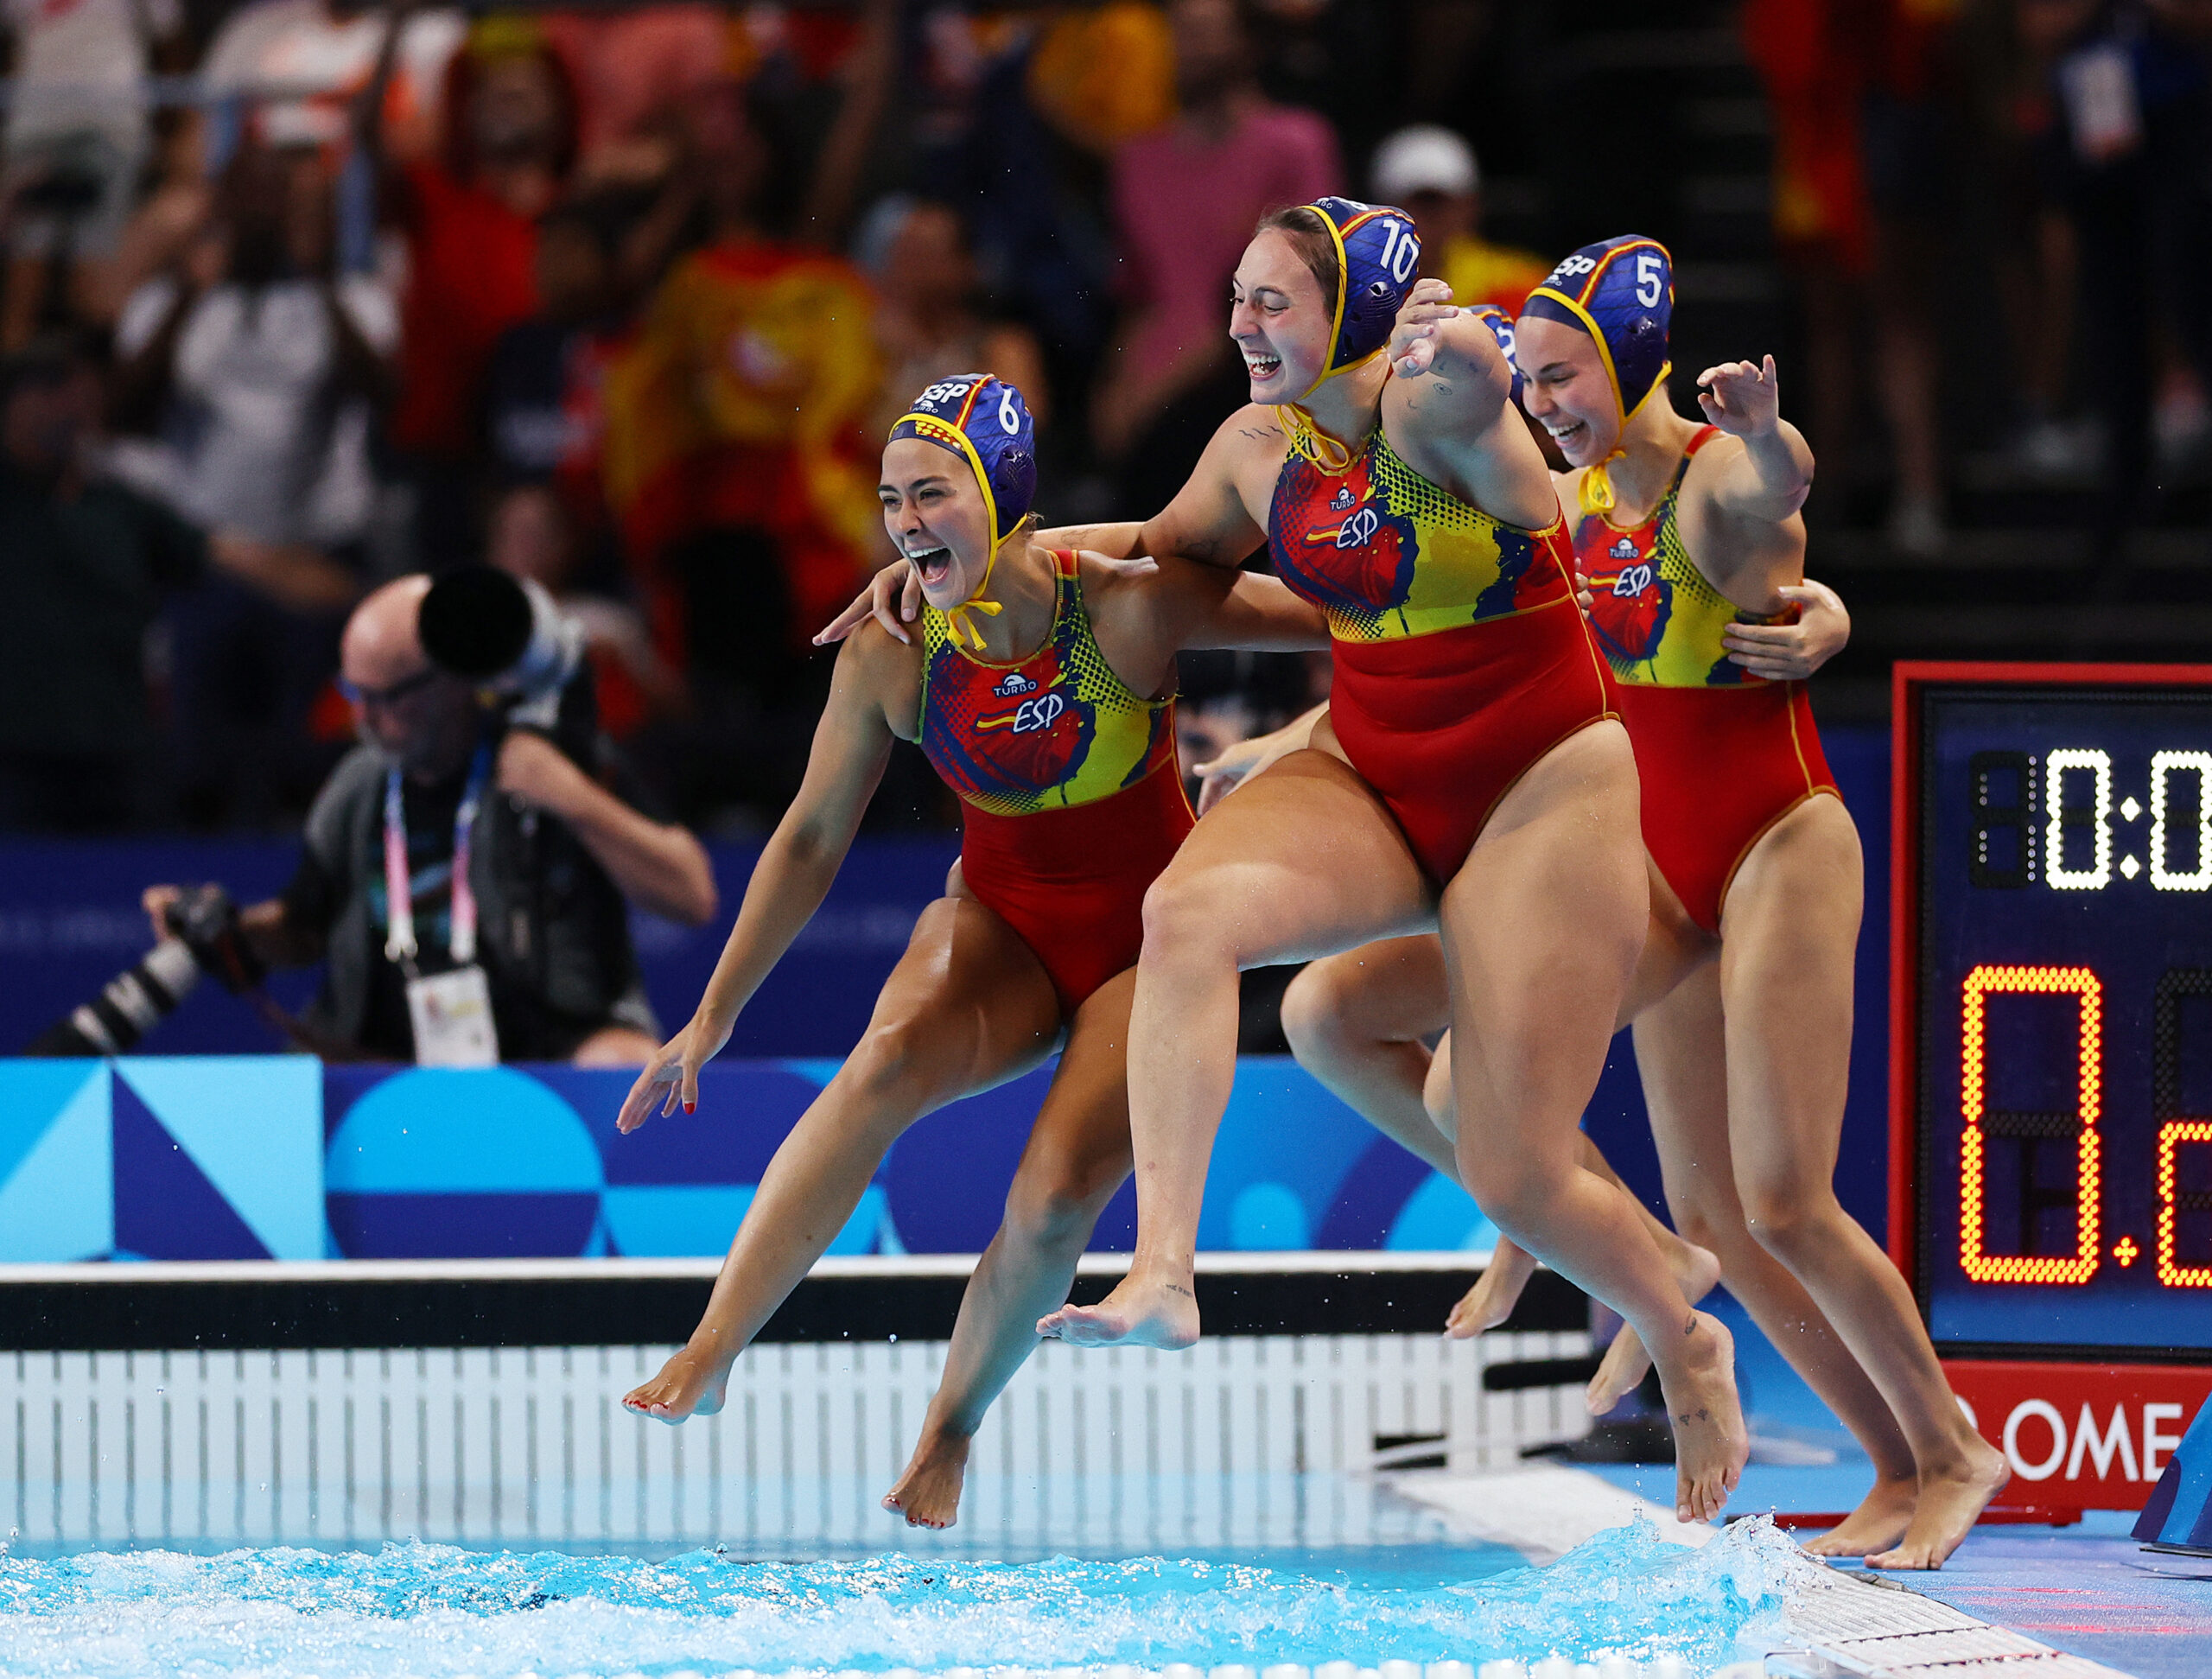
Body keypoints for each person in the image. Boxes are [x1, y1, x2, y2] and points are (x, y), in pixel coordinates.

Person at [1012, 200, 1746, 1526]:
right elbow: (1160, 556)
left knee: (1518, 1172)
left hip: (1539, 786)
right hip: (1378, 762)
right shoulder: (1251, 446)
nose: (1238, 324)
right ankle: (1165, 1270)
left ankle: (1677, 1317)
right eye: (1235, 297)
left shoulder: (1435, 410)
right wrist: (968, 575)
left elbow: (1496, 421)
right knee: (1211, 929)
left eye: (1272, 300)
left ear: (1353, 312)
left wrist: (1461, 350)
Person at [614, 375, 1447, 1534]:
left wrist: (1296, 737)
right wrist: (714, 1014)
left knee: (1054, 1201)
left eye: (933, 494)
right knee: (884, 1062)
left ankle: (952, 1422)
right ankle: (713, 1345)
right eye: (892, 500)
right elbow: (808, 837)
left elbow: (1342, 613)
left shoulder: (1122, 610)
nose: (906, 524)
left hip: (1144, 948)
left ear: (1004, 501)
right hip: (998, 925)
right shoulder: (895, 653)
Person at [1284, 238, 2008, 1569]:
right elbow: (1424, 615)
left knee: (1786, 1195)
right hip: (1657, 872)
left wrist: (1774, 436)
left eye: (1566, 376)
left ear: (1631, 365)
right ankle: (1887, 1459)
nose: (1547, 401)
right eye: (1535, 379)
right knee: (1686, 1201)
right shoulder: (1554, 502)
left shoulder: (1706, 480)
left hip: (1779, 841)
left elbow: (1773, 498)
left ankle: (1956, 1448)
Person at [143, 575, 716, 1064]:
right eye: (353, 692)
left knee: (622, 1065)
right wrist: (230, 929)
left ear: (452, 682)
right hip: (386, 1056)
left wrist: (573, 797)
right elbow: (303, 927)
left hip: (555, 1048)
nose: (362, 717)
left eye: (386, 696)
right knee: (285, 1086)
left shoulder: (552, 753)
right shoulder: (358, 784)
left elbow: (693, 895)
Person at [0, 335, 353, 830]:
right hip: (14, 757)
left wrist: (362, 597)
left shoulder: (120, 509)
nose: (63, 405)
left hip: (115, 751)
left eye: (74, 389)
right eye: (43, 390)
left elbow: (235, 557)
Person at [1090, 0, 1340, 512]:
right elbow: (1140, 295)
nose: (1187, 49)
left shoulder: (1297, 143)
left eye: (1205, 33)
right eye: (1177, 33)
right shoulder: (1137, 159)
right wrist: (1115, 388)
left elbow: (1301, 283)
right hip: (1156, 388)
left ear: (1247, 43)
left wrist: (1160, 387)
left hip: (1249, 374)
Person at [1369, 124, 1548, 316]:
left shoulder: (1521, 286)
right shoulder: (1357, 293)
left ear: (1470, 207)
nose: (1423, 220)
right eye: (1414, 205)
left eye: (1438, 205)